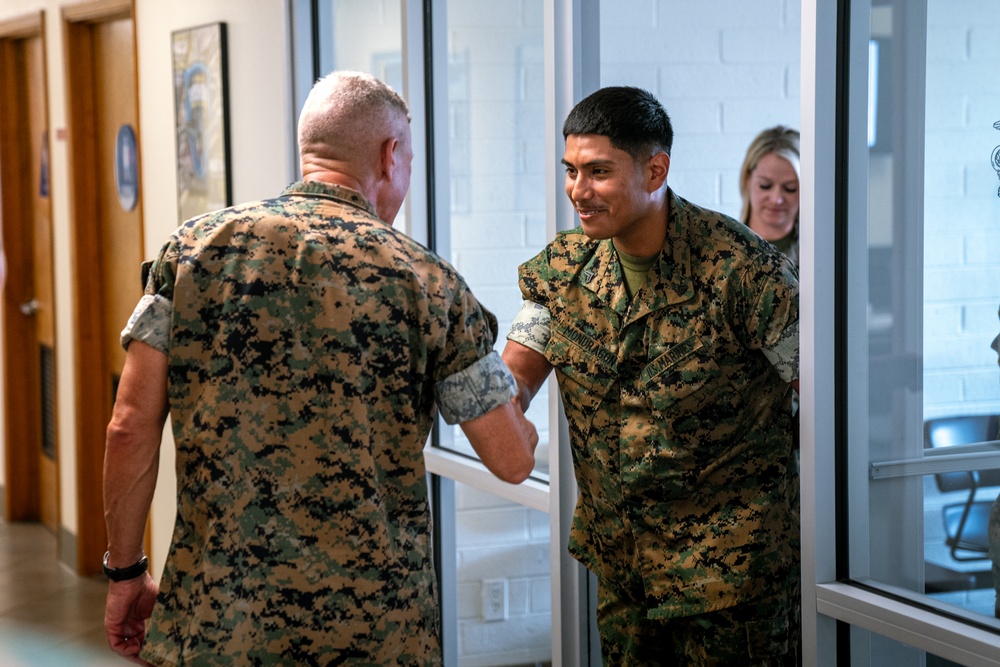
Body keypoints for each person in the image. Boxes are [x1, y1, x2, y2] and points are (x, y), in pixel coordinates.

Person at [102, 70, 538, 666]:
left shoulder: (193, 252)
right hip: (378, 633)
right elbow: (512, 459)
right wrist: (535, 334)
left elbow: (129, 426)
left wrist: (125, 571)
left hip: (217, 623)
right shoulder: (430, 283)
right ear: (390, 156)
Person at [502, 86, 800, 665]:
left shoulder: (744, 273)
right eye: (570, 171)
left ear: (655, 168)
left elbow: (820, 401)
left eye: (598, 172)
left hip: (730, 583)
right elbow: (516, 379)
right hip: (625, 571)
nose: (577, 192)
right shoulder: (564, 272)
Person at [739, 125, 801, 266]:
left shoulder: (819, 256)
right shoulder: (724, 247)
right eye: (765, 186)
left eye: (790, 188)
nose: (776, 199)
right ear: (747, 179)